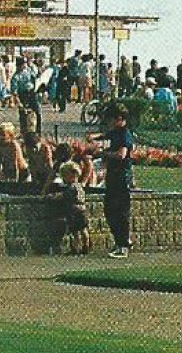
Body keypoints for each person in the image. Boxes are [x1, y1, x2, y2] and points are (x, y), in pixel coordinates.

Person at [94, 104, 135, 258]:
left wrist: (102, 153)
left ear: (119, 119)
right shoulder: (116, 132)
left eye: (110, 120)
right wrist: (94, 137)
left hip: (121, 176)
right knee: (109, 209)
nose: (108, 123)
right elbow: (106, 135)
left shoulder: (124, 134)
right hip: (113, 175)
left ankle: (123, 244)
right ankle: (120, 241)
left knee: (119, 211)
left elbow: (121, 155)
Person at [46, 160, 92, 254]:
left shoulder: (71, 187)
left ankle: (76, 248)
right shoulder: (80, 186)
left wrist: (52, 197)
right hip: (82, 210)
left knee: (75, 231)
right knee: (83, 229)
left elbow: (64, 196)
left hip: (73, 211)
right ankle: (86, 245)